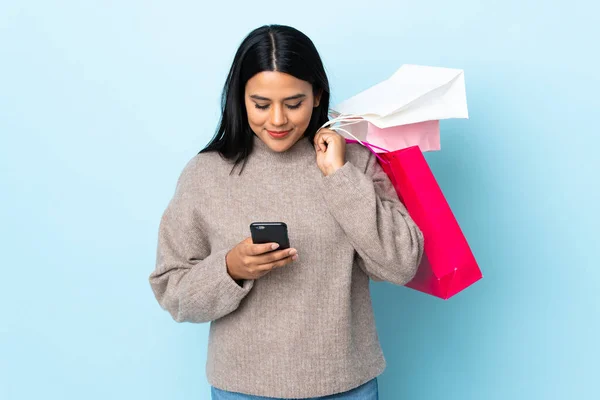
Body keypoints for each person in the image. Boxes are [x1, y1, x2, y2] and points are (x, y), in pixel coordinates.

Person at [148, 24, 424, 400]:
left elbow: (400, 264)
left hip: (346, 385)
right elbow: (171, 291)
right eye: (261, 105)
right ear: (239, 98)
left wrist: (339, 177)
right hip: (242, 388)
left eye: (293, 103)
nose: (277, 120)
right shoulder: (205, 174)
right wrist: (230, 268)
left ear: (316, 96)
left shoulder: (352, 162)